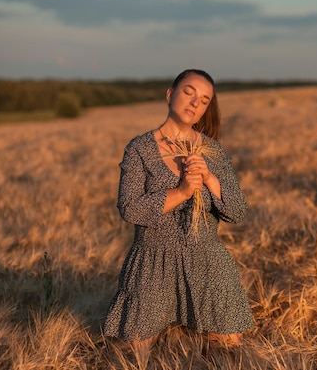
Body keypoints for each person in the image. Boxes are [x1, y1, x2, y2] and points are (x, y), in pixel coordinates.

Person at [103, 69, 255, 351]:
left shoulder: (213, 152)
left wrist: (209, 178)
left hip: (206, 261)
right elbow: (130, 209)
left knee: (231, 347)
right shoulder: (139, 149)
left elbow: (237, 211)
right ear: (170, 95)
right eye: (189, 92)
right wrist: (182, 192)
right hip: (152, 262)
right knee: (131, 352)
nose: (196, 103)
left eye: (205, 100)